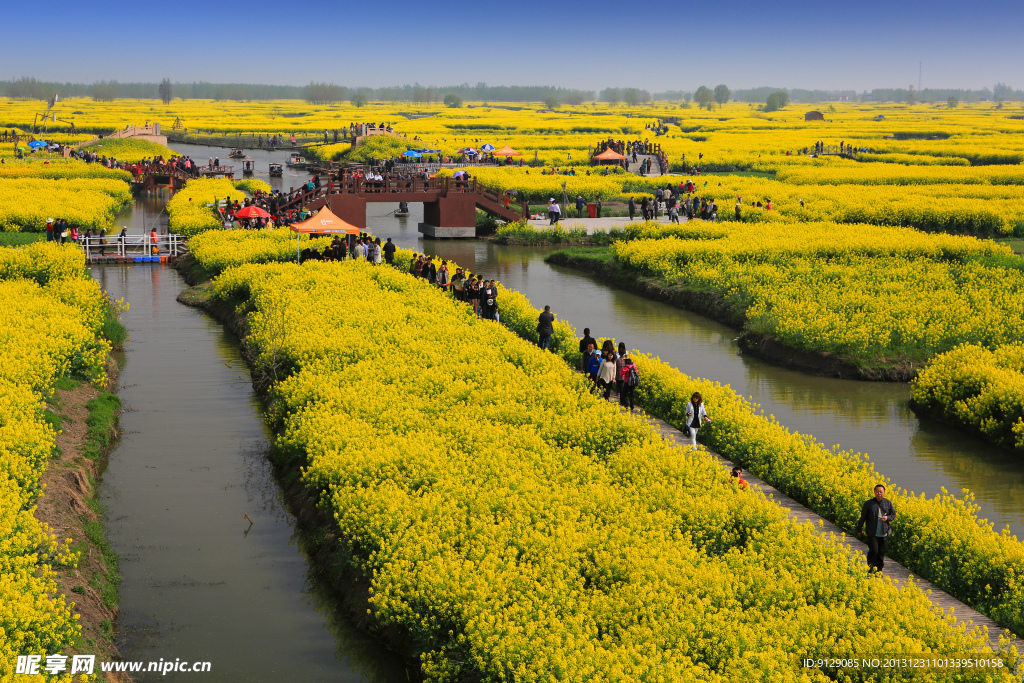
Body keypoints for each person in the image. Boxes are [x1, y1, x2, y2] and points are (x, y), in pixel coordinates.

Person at [856, 484, 896, 573]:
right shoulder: (868, 503)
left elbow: (893, 515)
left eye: (881, 492)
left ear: (884, 492)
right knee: (874, 551)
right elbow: (863, 517)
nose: (879, 493)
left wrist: (887, 518)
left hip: (883, 532)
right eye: (877, 491)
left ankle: (879, 571)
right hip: (872, 532)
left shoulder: (888, 503)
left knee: (881, 553)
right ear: (874, 492)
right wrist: (859, 529)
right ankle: (870, 568)